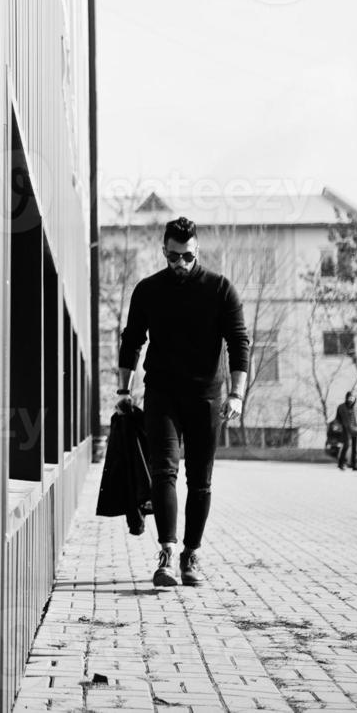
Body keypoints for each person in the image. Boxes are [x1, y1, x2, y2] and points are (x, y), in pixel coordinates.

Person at [115, 217, 248, 588]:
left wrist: (237, 394)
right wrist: (123, 390)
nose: (181, 264)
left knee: (201, 481)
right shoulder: (148, 290)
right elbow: (131, 341)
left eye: (188, 257)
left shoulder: (221, 289)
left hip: (206, 395)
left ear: (197, 251)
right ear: (164, 252)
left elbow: (239, 342)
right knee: (164, 472)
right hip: (162, 394)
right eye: (174, 257)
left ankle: (192, 553)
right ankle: (168, 553)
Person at [334, 391, 357, 471]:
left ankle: (354, 465)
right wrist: (340, 426)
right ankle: (341, 464)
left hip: (355, 429)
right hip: (346, 429)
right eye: (349, 397)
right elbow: (338, 418)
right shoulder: (341, 407)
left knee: (355, 448)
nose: (351, 399)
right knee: (346, 446)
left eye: (352, 398)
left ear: (354, 399)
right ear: (346, 398)